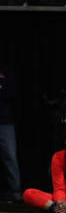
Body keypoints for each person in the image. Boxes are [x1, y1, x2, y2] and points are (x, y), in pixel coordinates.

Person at [0, 63, 22, 202]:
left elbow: (11, 92)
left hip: (4, 121)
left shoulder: (5, 71)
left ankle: (15, 190)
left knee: (10, 156)